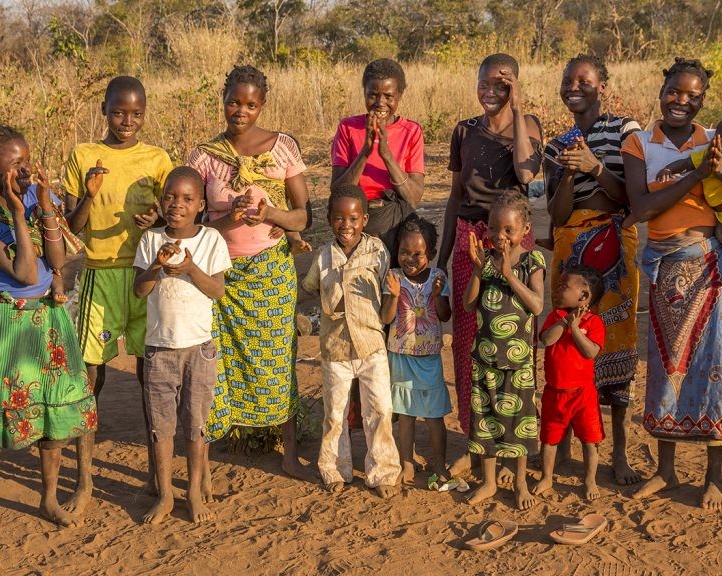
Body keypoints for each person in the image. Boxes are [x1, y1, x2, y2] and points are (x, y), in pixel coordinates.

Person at [620, 57, 722, 511]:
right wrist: (696, 175)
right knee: (665, 367)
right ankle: (666, 469)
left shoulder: (718, 139)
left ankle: (714, 477)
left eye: (693, 96)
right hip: (664, 267)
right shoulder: (639, 143)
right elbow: (642, 208)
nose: (682, 101)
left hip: (711, 264)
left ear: (703, 100)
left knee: (718, 365)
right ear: (662, 89)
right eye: (676, 91)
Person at [0, 126, 97, 544]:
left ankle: (48, 497)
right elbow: (22, 272)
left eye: (27, 160)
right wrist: (21, 214)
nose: (24, 170)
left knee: (52, 408)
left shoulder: (40, 198)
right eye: (15, 164)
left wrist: (44, 205)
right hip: (2, 323)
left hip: (47, 319)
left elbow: (57, 259)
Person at [187, 64, 312, 481]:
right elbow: (193, 225)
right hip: (219, 274)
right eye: (234, 102)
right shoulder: (204, 156)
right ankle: (206, 457)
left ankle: (288, 450)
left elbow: (302, 217)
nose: (241, 111)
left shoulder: (283, 148)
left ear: (262, 106)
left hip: (271, 274)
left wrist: (269, 213)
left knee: (278, 358)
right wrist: (229, 218)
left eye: (251, 104)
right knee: (214, 364)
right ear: (223, 101)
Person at [61, 75, 173, 510]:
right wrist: (89, 195)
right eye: (118, 112)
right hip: (99, 275)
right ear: (104, 110)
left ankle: (154, 474)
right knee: (91, 378)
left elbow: (174, 215)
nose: (128, 121)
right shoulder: (84, 155)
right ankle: (85, 481)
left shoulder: (157, 159)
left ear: (146, 112)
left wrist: (157, 220)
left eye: (137, 113)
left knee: (153, 376)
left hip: (147, 274)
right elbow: (72, 227)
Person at [438, 53, 543, 478]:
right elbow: (454, 196)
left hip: (514, 238)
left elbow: (525, 171)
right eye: (484, 82)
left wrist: (517, 110)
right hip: (470, 239)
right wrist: (444, 258)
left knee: (514, 338)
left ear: (515, 86)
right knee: (469, 341)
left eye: (502, 84)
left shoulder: (529, 125)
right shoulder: (464, 130)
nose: (490, 91)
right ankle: (476, 443)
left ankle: (512, 441)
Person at [544, 53, 642, 486]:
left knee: (616, 348)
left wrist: (595, 167)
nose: (574, 87)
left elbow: (632, 199)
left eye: (583, 80)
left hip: (615, 246)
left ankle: (617, 452)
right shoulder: (556, 144)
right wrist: (568, 173)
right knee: (564, 343)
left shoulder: (625, 130)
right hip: (569, 249)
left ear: (602, 85)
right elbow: (557, 214)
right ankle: (561, 445)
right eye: (568, 80)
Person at [133, 167, 231, 525]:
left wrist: (190, 269)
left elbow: (218, 290)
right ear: (161, 202)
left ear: (201, 205)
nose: (177, 205)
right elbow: (138, 290)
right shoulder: (150, 240)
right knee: (162, 426)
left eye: (187, 199)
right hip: (159, 349)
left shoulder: (210, 241)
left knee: (195, 424)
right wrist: (156, 268)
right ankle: (164, 494)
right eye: (171, 197)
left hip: (199, 349)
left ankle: (192, 489)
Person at [302, 183, 401, 498]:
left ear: (365, 220)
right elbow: (310, 289)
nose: (347, 225)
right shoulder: (323, 257)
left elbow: (388, 297)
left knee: (380, 410)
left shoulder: (377, 252)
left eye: (353, 218)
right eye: (339, 219)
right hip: (335, 349)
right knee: (335, 414)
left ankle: (383, 472)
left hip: (372, 346)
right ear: (329, 220)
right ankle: (334, 469)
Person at [463, 191, 546, 510]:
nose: (499, 236)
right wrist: (475, 269)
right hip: (484, 360)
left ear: (525, 230)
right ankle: (488, 481)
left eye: (508, 230)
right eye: (494, 228)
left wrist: (509, 275)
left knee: (518, 424)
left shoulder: (531, 260)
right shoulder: (485, 262)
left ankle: (521, 482)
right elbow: (470, 305)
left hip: (518, 364)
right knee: (485, 423)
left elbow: (537, 305)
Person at [379, 214, 452, 487]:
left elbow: (445, 315)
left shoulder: (438, 277)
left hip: (429, 357)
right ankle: (406, 462)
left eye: (418, 253)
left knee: (434, 416)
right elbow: (386, 318)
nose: (410, 258)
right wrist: (395, 295)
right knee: (406, 414)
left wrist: (436, 296)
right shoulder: (394, 277)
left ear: (431, 253)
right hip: (400, 354)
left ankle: (439, 463)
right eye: (404, 252)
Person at [331, 58, 425, 259]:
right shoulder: (348, 128)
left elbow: (413, 198)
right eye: (373, 95)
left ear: (400, 95)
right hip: (357, 221)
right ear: (364, 92)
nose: (381, 103)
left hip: (394, 221)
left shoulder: (411, 131)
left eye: (389, 96)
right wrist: (365, 151)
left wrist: (386, 154)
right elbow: (338, 191)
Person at [653, 115, 722, 285]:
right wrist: (668, 169)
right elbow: (687, 163)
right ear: (714, 137)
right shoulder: (709, 154)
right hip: (721, 212)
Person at [532, 266, 606, 501]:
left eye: (564, 286)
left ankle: (590, 479)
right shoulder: (556, 317)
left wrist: (575, 328)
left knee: (590, 440)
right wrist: (566, 323)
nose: (557, 289)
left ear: (584, 297)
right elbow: (546, 339)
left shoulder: (594, 323)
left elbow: (590, 352)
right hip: (555, 392)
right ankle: (546, 476)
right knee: (549, 438)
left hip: (583, 394)